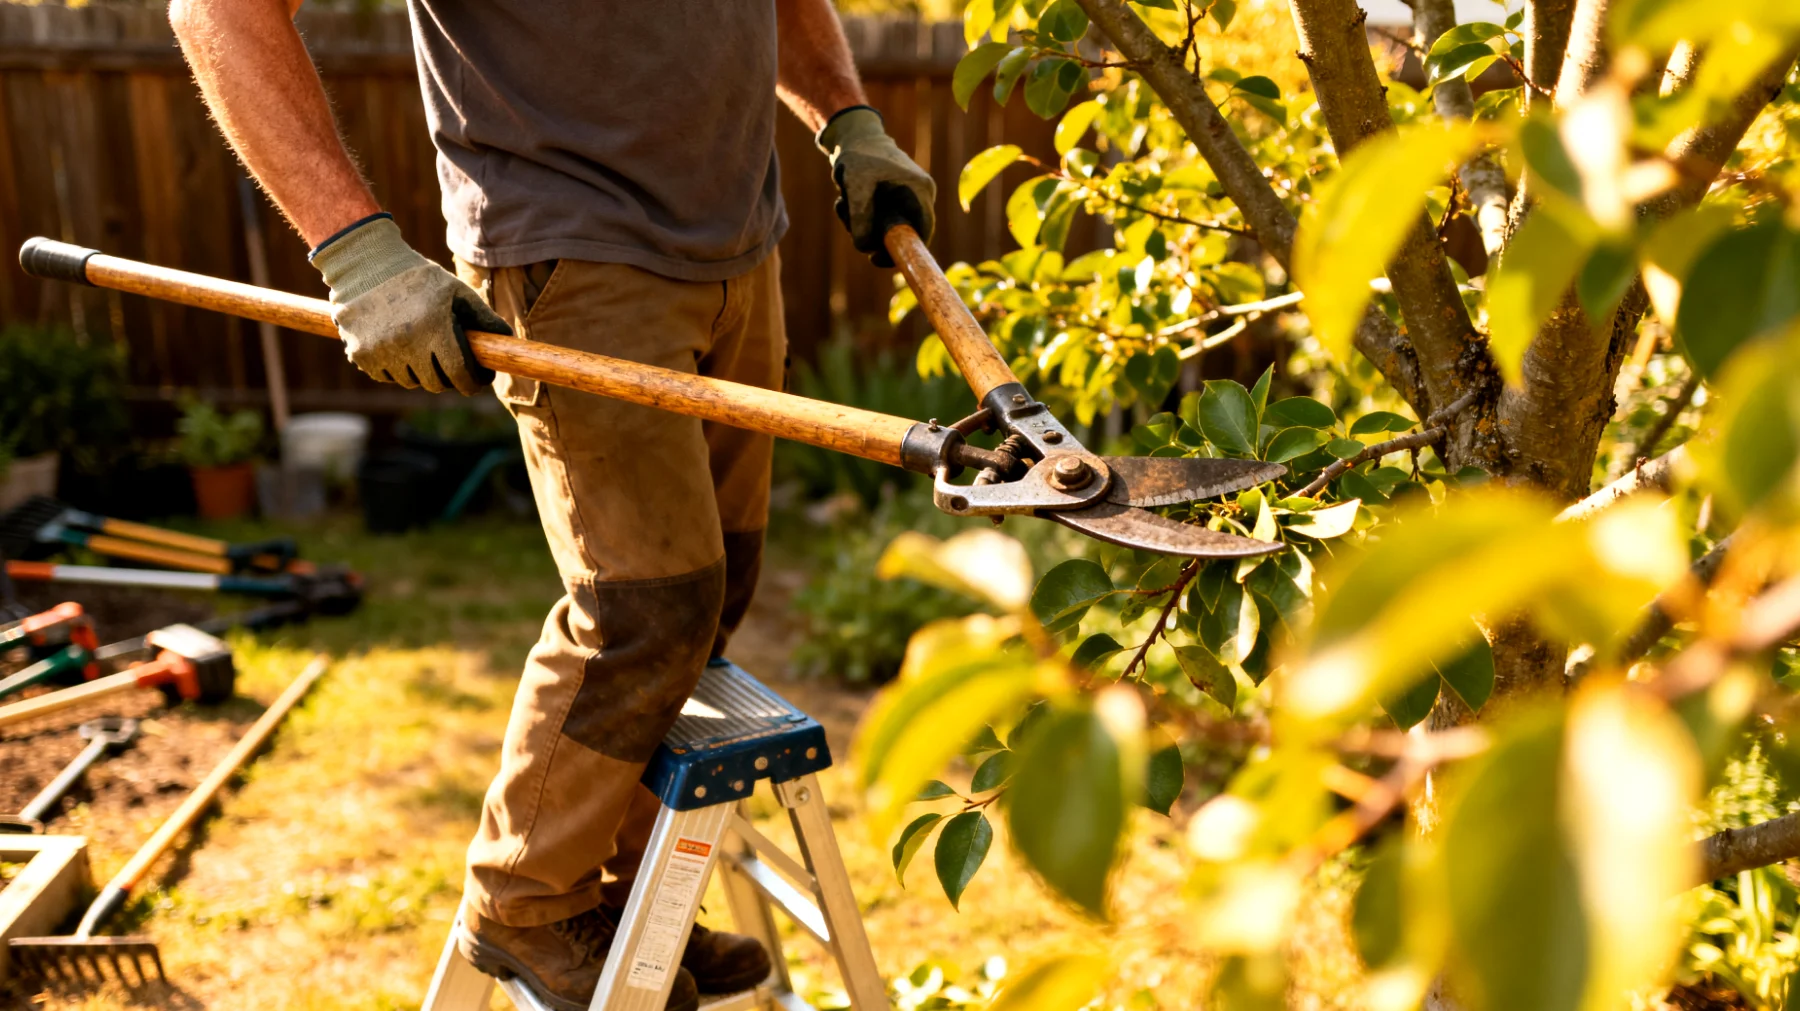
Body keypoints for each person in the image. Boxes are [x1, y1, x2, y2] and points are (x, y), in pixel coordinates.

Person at [167, 1, 935, 1008]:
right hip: (578, 254)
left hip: (742, 243)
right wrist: (355, 250)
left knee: (718, 583)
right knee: (645, 608)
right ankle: (526, 901)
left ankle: (622, 896)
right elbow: (220, 9)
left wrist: (847, 117)